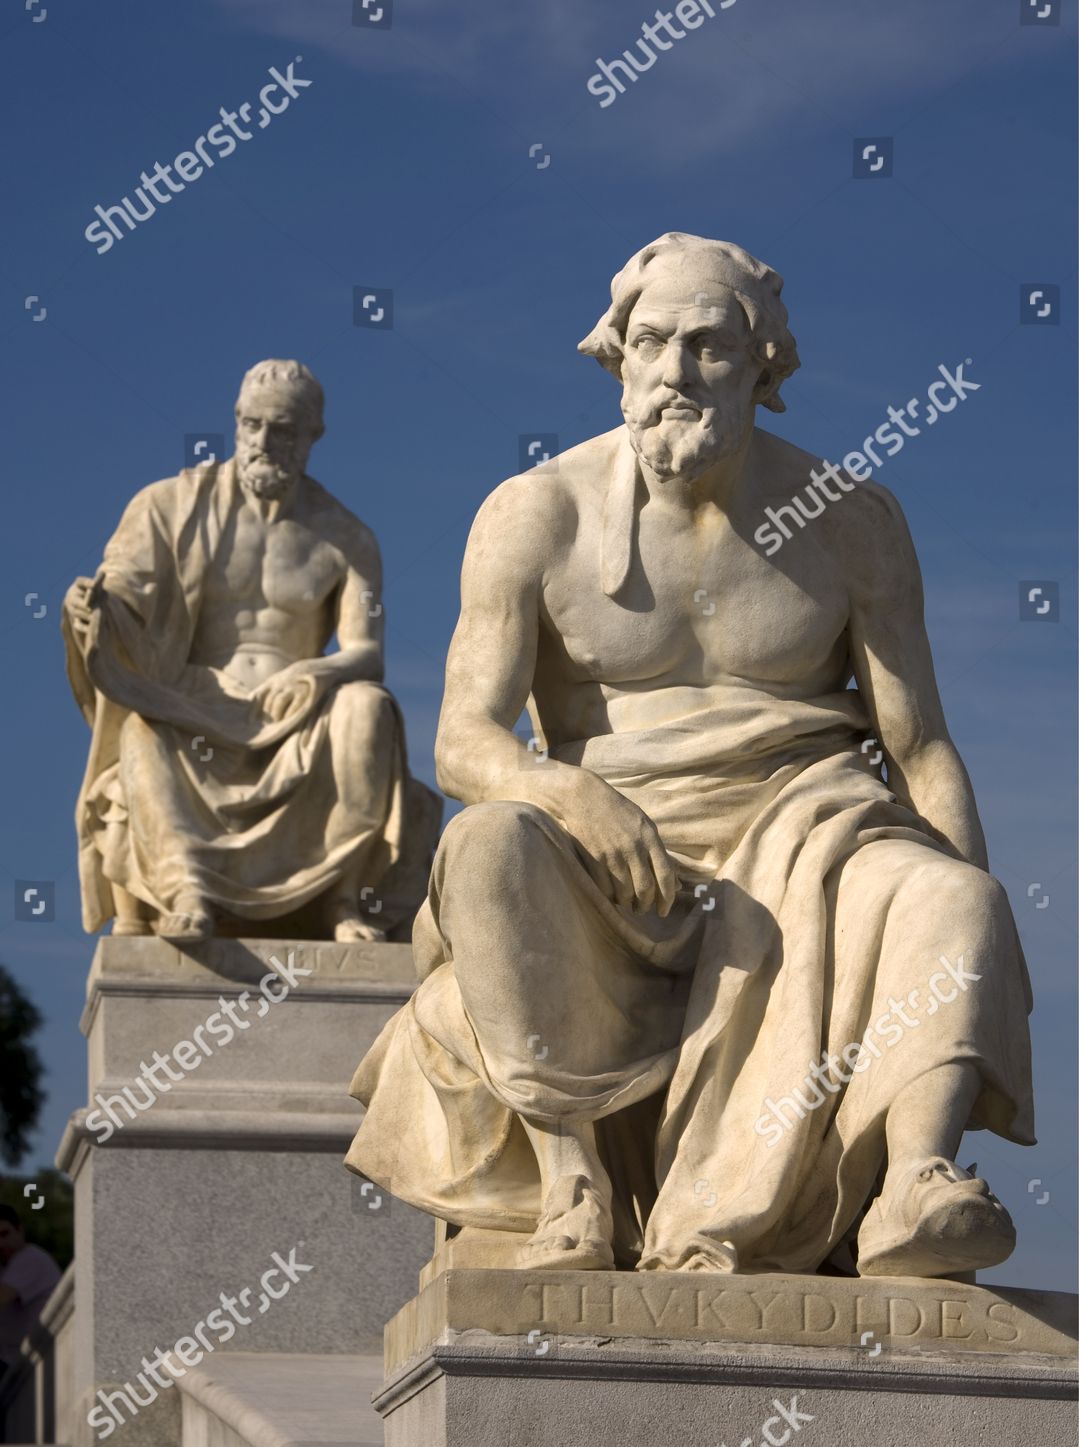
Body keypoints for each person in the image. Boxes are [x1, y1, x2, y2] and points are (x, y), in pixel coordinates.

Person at [346, 234, 1034, 1279]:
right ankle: (573, 1188)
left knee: (956, 900)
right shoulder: (535, 514)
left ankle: (913, 1185)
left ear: (764, 365)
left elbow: (919, 743)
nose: (674, 372)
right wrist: (563, 792)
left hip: (807, 827)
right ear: (616, 353)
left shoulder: (852, 524)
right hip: (602, 854)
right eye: (652, 342)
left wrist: (961, 892)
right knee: (485, 845)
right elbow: (463, 741)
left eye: (709, 346)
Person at [63, 359, 439, 942]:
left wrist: (320, 669)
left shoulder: (347, 536)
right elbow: (125, 592)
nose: (263, 442)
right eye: (251, 424)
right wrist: (93, 607)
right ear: (237, 423)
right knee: (144, 730)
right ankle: (186, 888)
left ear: (311, 435)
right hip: (195, 700)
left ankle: (343, 899)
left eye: (283, 429)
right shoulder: (170, 506)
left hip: (296, 709)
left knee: (368, 709)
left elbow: (366, 652)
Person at [0, 1205, 61, 1373]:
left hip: (32, 1364)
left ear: (20, 1230)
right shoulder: (6, 1266)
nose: (1, 1243)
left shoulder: (31, 1258)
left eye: (5, 1234)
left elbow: (2, 1296)